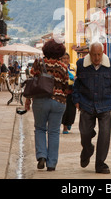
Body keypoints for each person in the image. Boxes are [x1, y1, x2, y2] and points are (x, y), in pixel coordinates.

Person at [72, 42, 111, 174]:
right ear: (89, 53)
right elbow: (77, 85)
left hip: (105, 105)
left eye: (99, 54)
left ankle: (100, 164)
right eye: (94, 54)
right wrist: (76, 100)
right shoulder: (81, 65)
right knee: (85, 133)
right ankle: (88, 148)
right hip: (86, 104)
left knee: (105, 135)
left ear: (103, 53)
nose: (96, 58)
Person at [24, 39, 69, 172]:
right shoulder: (63, 66)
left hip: (40, 101)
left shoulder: (39, 63)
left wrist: (28, 100)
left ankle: (42, 156)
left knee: (40, 129)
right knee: (54, 132)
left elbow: (31, 81)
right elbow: (66, 85)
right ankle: (52, 164)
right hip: (58, 102)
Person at [61, 53, 77, 134]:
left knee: (72, 110)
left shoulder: (73, 67)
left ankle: (69, 123)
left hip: (72, 91)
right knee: (65, 110)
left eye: (67, 58)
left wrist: (75, 78)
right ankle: (65, 127)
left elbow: (77, 76)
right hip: (63, 91)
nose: (66, 60)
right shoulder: (60, 67)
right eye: (64, 58)